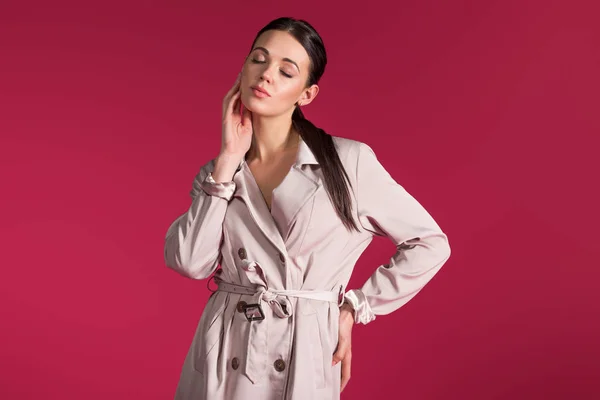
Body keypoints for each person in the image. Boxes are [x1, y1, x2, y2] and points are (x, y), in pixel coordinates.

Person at [164, 16, 451, 400]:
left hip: (301, 352)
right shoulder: (220, 172)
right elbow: (189, 261)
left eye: (285, 71)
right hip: (223, 353)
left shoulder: (347, 162)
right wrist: (228, 158)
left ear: (307, 94)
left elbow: (430, 242)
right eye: (258, 60)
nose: (266, 75)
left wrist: (354, 308)